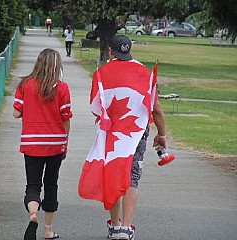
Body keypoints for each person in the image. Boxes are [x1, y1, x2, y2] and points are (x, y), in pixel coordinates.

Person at [79, 35, 167, 240]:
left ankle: (116, 226)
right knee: (132, 178)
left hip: (112, 135)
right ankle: (127, 228)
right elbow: (156, 109)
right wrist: (161, 134)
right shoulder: (145, 73)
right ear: (129, 51)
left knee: (113, 174)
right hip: (137, 135)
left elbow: (96, 108)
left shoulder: (101, 73)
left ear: (111, 51)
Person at [13, 48, 73, 240]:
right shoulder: (62, 88)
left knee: (32, 185)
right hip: (55, 144)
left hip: (31, 143)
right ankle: (48, 230)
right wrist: (65, 142)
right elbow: (66, 118)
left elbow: (16, 113)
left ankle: (33, 214)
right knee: (51, 184)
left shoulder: (25, 84)